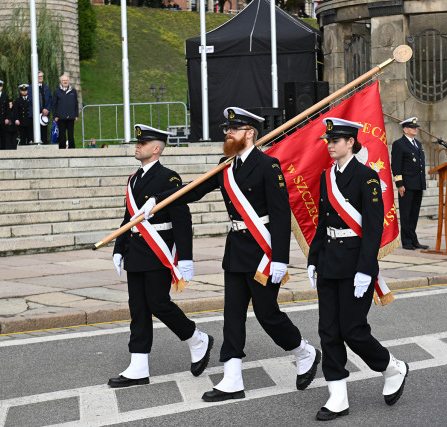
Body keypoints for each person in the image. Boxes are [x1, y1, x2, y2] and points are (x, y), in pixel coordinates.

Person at [135, 107, 320, 402]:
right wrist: (158, 200)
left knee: (266, 314)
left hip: (263, 252)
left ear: (250, 133)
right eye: (227, 129)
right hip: (236, 250)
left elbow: (281, 215)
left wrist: (281, 259)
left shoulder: (268, 166)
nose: (228, 134)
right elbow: (193, 190)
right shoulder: (225, 165)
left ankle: (304, 351)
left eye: (234, 129)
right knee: (232, 314)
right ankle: (232, 378)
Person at [307, 118, 409, 421]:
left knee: (353, 330)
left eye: (335, 140)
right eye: (329, 140)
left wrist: (367, 269)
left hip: (355, 264)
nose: (330, 145)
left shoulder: (367, 177)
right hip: (328, 262)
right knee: (328, 331)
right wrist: (313, 259)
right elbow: (323, 222)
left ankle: (392, 367)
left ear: (350, 142)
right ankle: (337, 396)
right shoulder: (326, 177)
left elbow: (374, 226)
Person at [108, 124, 213, 388]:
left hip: (158, 252)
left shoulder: (169, 178)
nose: (137, 146)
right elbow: (128, 219)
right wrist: (119, 248)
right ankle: (138, 365)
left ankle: (196, 338)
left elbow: (182, 218)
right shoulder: (133, 179)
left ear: (156, 149)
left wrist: (186, 258)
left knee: (158, 303)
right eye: (137, 143)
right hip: (136, 252)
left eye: (142, 143)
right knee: (138, 309)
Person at [390, 117, 428, 250]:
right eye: (412, 127)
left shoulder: (417, 143)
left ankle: (413, 239)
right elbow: (396, 165)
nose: (415, 129)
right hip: (406, 185)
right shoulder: (399, 144)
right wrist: (399, 184)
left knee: (414, 214)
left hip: (417, 184)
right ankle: (406, 241)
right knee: (406, 214)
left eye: (416, 127)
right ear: (405, 129)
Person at [52, 74, 79, 149]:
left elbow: (76, 104)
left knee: (71, 135)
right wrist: (55, 116)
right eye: (63, 80)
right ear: (61, 82)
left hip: (71, 117)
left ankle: (72, 150)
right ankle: (62, 150)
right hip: (61, 117)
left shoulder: (73, 91)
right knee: (62, 135)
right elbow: (54, 105)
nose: (65, 82)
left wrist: (76, 115)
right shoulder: (57, 91)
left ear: (68, 81)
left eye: (66, 80)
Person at [29, 71, 52, 144]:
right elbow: (31, 100)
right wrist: (42, 109)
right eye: (39, 77)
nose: (40, 78)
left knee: (44, 132)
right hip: (35, 114)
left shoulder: (46, 87)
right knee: (35, 131)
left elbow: (50, 99)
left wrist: (47, 109)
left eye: (41, 76)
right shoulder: (31, 87)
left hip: (44, 115)